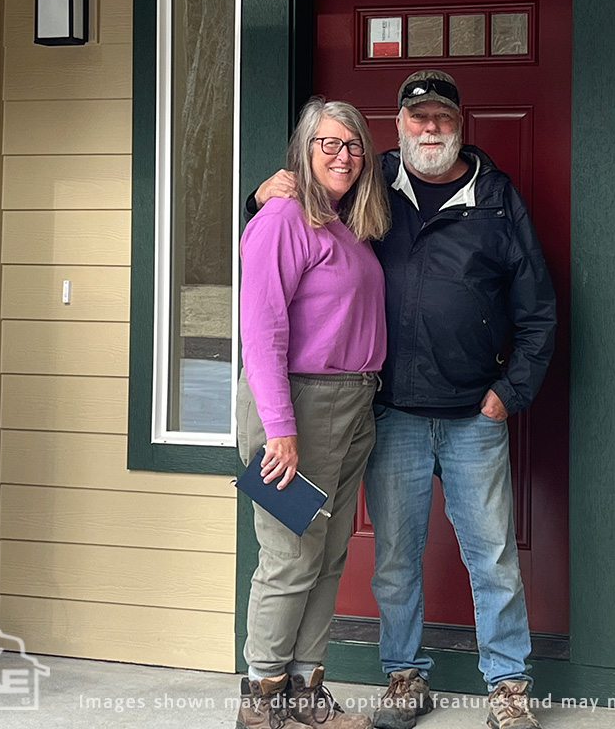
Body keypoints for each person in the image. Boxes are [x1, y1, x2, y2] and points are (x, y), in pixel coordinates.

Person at [252, 70, 556, 729]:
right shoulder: (366, 185)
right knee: (385, 557)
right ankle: (401, 676)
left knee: (492, 556)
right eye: (416, 117)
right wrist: (261, 192)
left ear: (460, 124)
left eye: (441, 117)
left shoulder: (497, 199)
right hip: (388, 412)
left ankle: (507, 685)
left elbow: (539, 309)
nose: (429, 128)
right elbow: (283, 247)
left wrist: (510, 393)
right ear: (398, 125)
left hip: (475, 413)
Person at [237, 97, 391, 729]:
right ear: (304, 150)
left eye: (353, 145)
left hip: (351, 403)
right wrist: (280, 429)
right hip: (296, 404)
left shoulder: (347, 224)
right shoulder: (282, 218)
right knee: (290, 555)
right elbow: (262, 329)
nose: (343, 156)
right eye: (329, 143)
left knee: (326, 555)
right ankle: (262, 702)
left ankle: (306, 693)